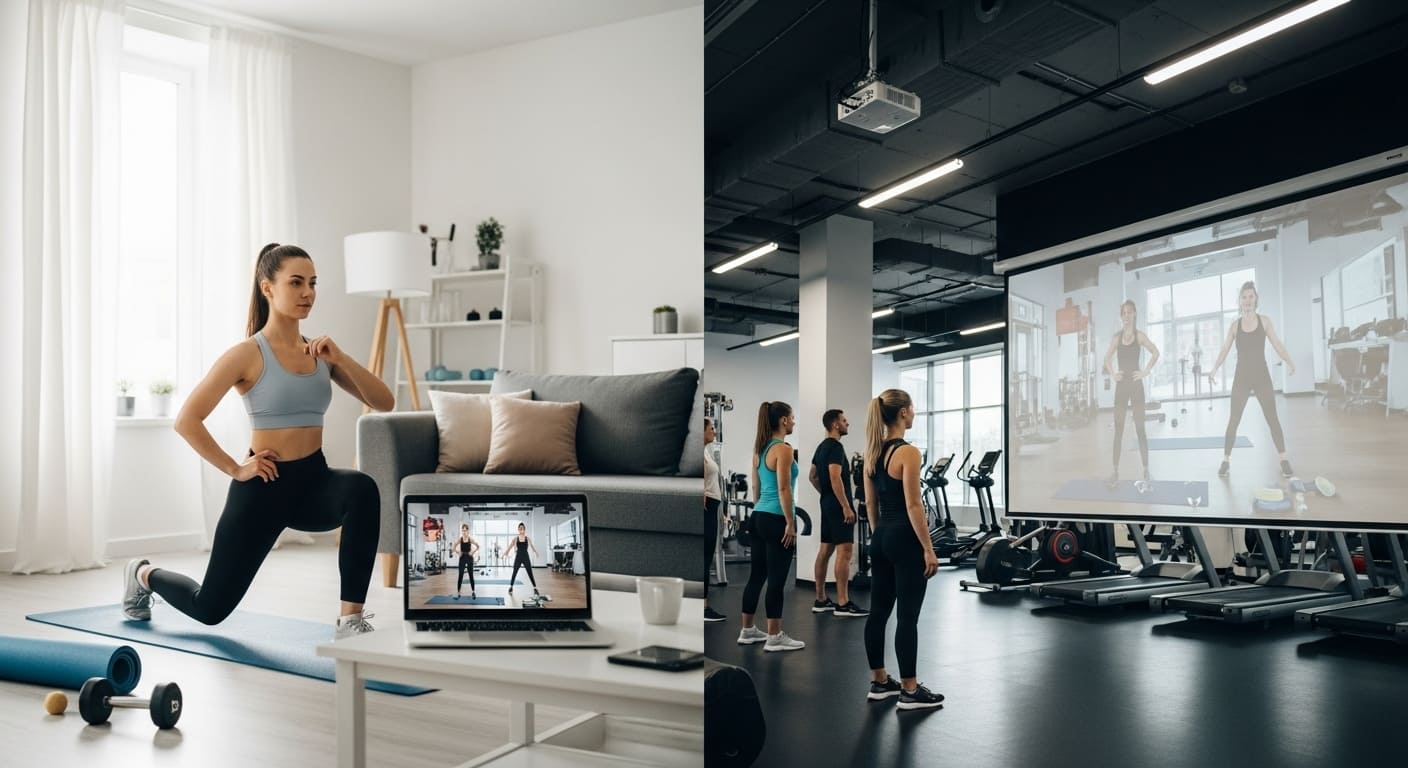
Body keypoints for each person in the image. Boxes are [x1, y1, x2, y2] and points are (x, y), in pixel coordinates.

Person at [121, 243, 394, 639]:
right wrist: (236, 467)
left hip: (314, 482)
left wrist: (341, 358)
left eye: (313, 284)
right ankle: (143, 574)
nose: (308, 293)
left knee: (362, 489)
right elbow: (187, 420)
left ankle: (351, 622)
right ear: (268, 288)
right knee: (209, 608)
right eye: (296, 283)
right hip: (264, 488)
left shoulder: (320, 353)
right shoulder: (247, 354)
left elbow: (384, 401)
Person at [862, 389, 943, 710]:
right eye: (914, 408)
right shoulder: (908, 452)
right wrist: (928, 548)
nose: (915, 413)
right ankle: (910, 690)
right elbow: (913, 505)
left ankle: (880, 681)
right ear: (904, 413)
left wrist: (878, 536)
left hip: (880, 537)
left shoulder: (871, 451)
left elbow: (871, 502)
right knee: (907, 617)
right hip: (904, 539)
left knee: (878, 613)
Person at [1209, 281, 1295, 478]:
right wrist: (1214, 369)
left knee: (1272, 418)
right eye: (1244, 297)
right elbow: (1224, 350)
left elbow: (1277, 344)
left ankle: (1283, 459)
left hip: (1262, 377)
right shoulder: (1234, 326)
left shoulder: (1264, 321)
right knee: (1234, 419)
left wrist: (1289, 362)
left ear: (1255, 299)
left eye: (1250, 296)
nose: (1247, 300)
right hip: (1242, 378)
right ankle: (1225, 460)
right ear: (1240, 301)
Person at [737, 401, 804, 653]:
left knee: (757, 576)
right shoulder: (784, 450)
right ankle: (774, 636)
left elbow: (755, 488)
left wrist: (760, 514)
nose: (795, 421)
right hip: (777, 518)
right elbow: (784, 488)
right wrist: (789, 521)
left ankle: (747, 630)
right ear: (784, 420)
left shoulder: (758, 450)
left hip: (759, 516)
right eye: (793, 417)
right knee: (776, 580)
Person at [809, 409, 867, 617]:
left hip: (827, 504)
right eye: (844, 420)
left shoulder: (821, 447)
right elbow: (835, 477)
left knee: (825, 551)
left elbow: (812, 476)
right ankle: (843, 603)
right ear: (835, 425)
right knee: (845, 551)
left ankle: (821, 599)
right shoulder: (835, 447)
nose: (847, 423)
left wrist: (826, 496)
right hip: (838, 506)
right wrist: (844, 505)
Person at [1102, 300, 1160, 486]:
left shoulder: (1139, 336)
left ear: (1134, 314)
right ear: (1122, 316)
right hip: (1121, 386)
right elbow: (1106, 358)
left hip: (1136, 386)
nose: (1126, 316)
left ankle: (1146, 469)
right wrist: (1113, 374)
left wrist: (1145, 371)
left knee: (1140, 428)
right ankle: (1114, 471)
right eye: (1123, 313)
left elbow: (1155, 352)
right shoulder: (1117, 338)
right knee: (1118, 430)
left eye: (1129, 313)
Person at [704, 417, 727, 622]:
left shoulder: (706, 452)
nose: (714, 431)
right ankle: (703, 607)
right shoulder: (700, 453)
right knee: (704, 559)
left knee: (707, 556)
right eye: (711, 428)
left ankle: (704, 605)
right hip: (706, 508)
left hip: (713, 507)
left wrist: (722, 513)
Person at [502, 522, 541, 596]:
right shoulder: (515, 539)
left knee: (530, 572)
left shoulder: (527, 538)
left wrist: (536, 552)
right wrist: (505, 553)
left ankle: (535, 588)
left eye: (522, 528)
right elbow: (509, 547)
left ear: (524, 529)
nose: (521, 530)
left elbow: (532, 546)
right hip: (518, 557)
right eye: (520, 528)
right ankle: (511, 587)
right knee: (514, 572)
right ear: (518, 529)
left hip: (526, 557)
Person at [452, 524, 480, 599]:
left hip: (469, 557)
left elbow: (478, 546)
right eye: (463, 530)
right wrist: (458, 552)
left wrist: (473, 552)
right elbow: (453, 547)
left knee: (471, 575)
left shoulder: (470, 539)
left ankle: (473, 591)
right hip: (462, 558)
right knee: (460, 575)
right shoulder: (460, 539)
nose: (464, 532)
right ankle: (458, 592)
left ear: (468, 531)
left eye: (465, 530)